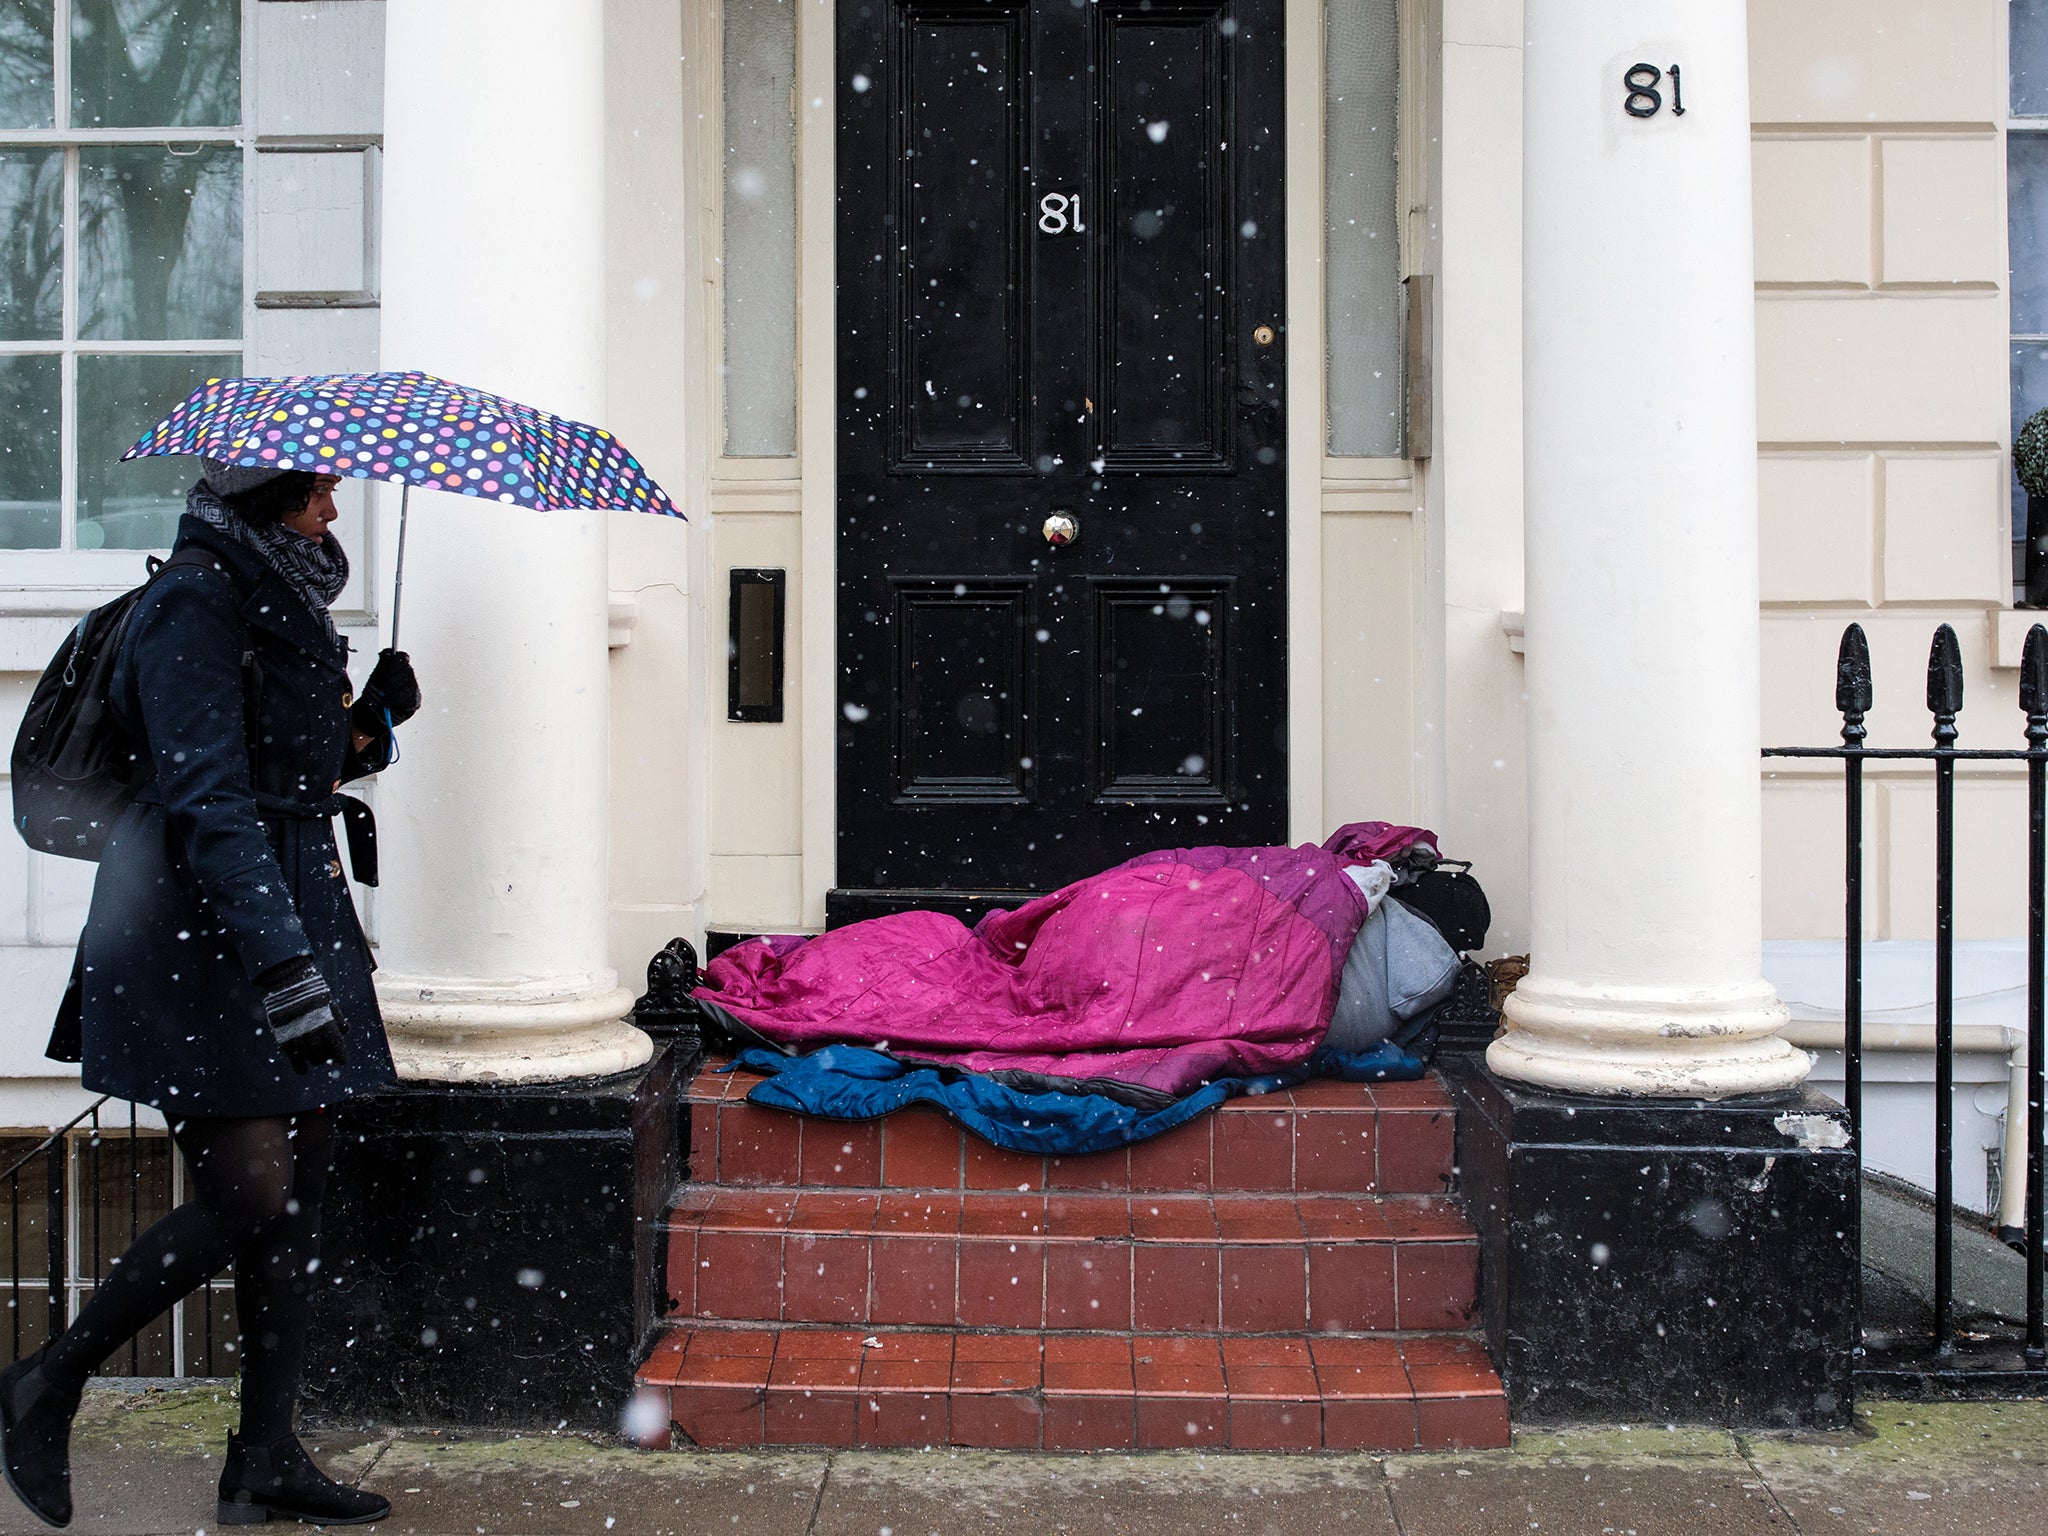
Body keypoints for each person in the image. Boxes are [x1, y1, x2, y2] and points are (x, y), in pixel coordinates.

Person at [0, 461, 421, 1529]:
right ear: (269, 499)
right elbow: (204, 796)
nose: (334, 508)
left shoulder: (286, 594)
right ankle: (46, 1383)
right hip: (194, 925)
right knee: (251, 1192)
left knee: (302, 1188)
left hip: (282, 904)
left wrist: (370, 716)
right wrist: (281, 962)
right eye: (319, 492)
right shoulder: (197, 594)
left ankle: (264, 1460)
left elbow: (294, 767)